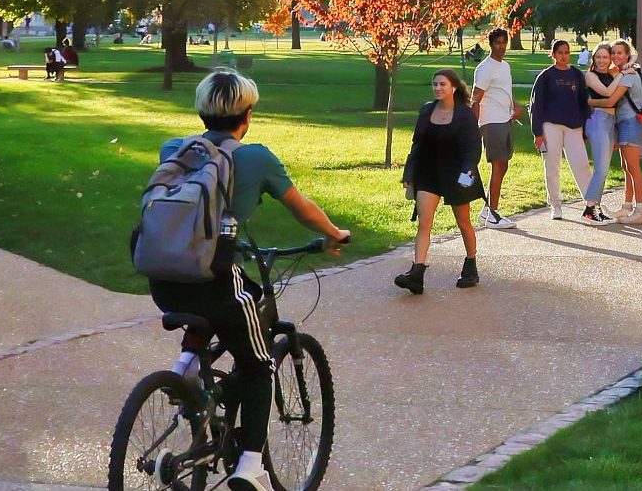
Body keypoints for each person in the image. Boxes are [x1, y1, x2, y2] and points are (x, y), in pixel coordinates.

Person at [151, 71, 350, 491]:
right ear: (247, 114)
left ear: (202, 110)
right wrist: (333, 234)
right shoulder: (256, 158)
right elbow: (302, 207)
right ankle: (250, 467)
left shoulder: (175, 149)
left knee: (220, 319)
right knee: (259, 363)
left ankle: (186, 366)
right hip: (215, 280)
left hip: (164, 279)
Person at [396, 69, 484, 292]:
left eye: (442, 84)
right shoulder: (427, 110)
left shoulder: (465, 114)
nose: (438, 88)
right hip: (428, 172)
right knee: (424, 222)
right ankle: (417, 272)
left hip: (457, 174)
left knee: (463, 221)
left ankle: (471, 264)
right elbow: (417, 144)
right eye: (435, 84)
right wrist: (409, 174)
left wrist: (467, 176)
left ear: (453, 87)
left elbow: (473, 150)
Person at [528, 39, 596, 222]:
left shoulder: (576, 75)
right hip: (551, 126)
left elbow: (584, 103)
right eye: (560, 53)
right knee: (552, 166)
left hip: (574, 126)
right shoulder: (546, 76)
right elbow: (536, 106)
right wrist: (538, 133)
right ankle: (555, 205)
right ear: (553, 55)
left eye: (566, 52)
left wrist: (586, 129)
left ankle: (591, 204)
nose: (564, 56)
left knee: (581, 164)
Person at [592, 41, 642, 225]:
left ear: (627, 55)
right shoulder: (622, 72)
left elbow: (611, 100)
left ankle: (640, 210)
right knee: (626, 168)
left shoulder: (629, 75)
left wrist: (588, 102)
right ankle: (626, 207)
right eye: (614, 53)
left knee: (634, 168)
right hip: (624, 123)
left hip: (631, 124)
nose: (616, 56)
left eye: (620, 53)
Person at [470, 28, 519, 229]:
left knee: (503, 165)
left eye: (504, 42)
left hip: (504, 119)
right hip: (491, 121)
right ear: (491, 44)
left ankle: (487, 211)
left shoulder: (504, 66)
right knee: (498, 165)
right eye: (497, 43)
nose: (502, 46)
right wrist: (473, 128)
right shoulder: (485, 68)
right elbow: (475, 99)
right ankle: (492, 213)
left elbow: (504, 91)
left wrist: (514, 105)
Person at [573, 49, 619, 223]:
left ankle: (596, 208)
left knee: (604, 169)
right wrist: (622, 75)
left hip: (611, 122)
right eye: (598, 57)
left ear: (610, 59)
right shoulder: (590, 76)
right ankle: (590, 209)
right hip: (597, 120)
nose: (601, 60)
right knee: (601, 168)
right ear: (593, 59)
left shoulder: (613, 75)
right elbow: (607, 93)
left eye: (605, 57)